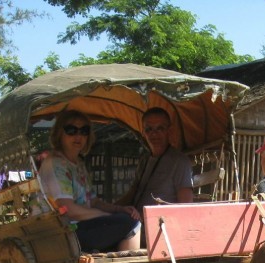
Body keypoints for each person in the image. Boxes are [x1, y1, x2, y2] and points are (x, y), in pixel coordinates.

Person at [38, 110, 141, 253]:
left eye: (84, 131)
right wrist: (107, 216)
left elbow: (93, 201)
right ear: (59, 133)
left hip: (80, 227)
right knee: (131, 224)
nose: (78, 136)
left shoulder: (78, 164)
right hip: (64, 232)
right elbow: (69, 210)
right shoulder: (55, 164)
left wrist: (120, 209)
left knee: (126, 219)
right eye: (71, 130)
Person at [120, 107, 194, 213]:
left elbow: (186, 206)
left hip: (161, 225)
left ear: (169, 131)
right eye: (149, 129)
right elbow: (131, 195)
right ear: (143, 133)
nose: (154, 134)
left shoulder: (179, 162)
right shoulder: (144, 160)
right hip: (136, 221)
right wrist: (109, 209)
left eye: (160, 128)